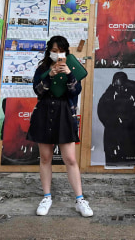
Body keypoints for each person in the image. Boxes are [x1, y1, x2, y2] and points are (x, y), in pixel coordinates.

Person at [26, 36, 92, 218]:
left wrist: (69, 73)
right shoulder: (42, 68)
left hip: (64, 113)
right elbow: (38, 91)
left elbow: (74, 91)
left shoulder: (72, 66)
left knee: (70, 158)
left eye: (60, 51)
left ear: (66, 52)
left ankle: (80, 200)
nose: (57, 54)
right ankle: (47, 197)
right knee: (45, 158)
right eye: (54, 51)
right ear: (49, 51)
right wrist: (50, 75)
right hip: (44, 112)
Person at [97, 71, 135, 166]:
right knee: (112, 166)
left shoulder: (134, 95)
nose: (120, 89)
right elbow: (102, 112)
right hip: (113, 143)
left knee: (130, 163)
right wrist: (113, 122)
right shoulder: (108, 97)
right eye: (116, 86)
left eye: (122, 86)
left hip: (130, 142)